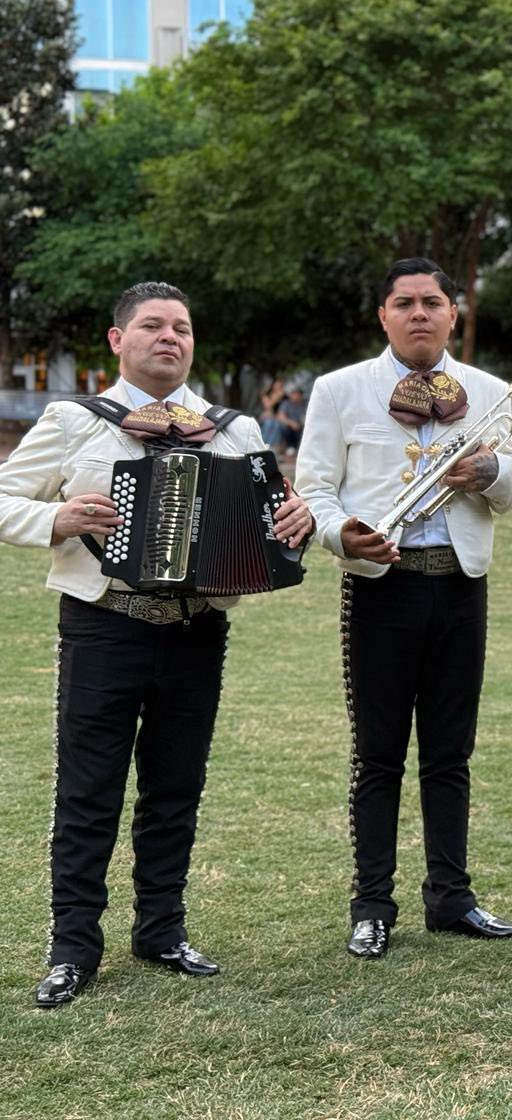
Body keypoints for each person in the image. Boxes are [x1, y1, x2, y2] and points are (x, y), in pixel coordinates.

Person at [0, 281, 314, 1008]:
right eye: (151, 326)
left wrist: (295, 523)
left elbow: (277, 523)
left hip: (198, 627)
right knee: (89, 791)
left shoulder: (232, 430)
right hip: (104, 621)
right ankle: (73, 948)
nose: (169, 337)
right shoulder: (75, 419)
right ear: (118, 341)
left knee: (176, 788)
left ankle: (162, 931)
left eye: (181, 327)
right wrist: (58, 518)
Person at [295, 257, 512, 960]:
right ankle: (372, 905)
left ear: (453, 314)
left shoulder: (488, 391)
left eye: (433, 302)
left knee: (450, 753)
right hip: (380, 587)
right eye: (405, 302)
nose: (420, 313)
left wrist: (487, 471)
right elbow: (313, 492)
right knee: (378, 755)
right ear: (384, 315)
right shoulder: (339, 391)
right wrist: (343, 535)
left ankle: (451, 899)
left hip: (460, 584)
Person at [277, 384, 307, 453]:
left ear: (301, 395)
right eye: (294, 394)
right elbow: (281, 416)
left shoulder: (305, 403)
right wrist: (291, 423)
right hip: (290, 426)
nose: (295, 396)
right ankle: (290, 447)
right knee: (283, 427)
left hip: (302, 425)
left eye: (297, 394)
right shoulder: (286, 403)